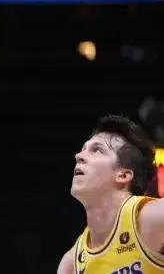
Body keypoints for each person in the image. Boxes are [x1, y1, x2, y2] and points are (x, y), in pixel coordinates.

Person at [58, 115, 164, 273]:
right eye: (83, 150)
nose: (78, 156)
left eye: (97, 150)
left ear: (123, 175)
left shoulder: (151, 218)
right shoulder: (71, 264)